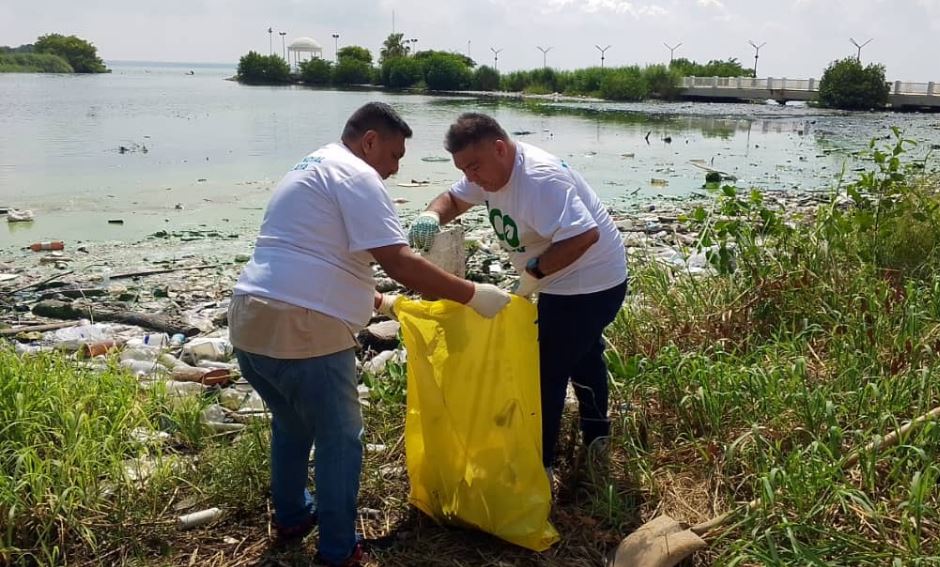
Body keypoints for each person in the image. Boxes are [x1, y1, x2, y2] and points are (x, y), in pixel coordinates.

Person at [229, 102, 510, 567]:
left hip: (250, 318)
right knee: (341, 438)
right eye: (395, 155)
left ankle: (293, 516)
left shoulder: (309, 166)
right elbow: (397, 261)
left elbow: (316, 253)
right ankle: (340, 550)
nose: (396, 168)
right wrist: (471, 294)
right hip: (304, 327)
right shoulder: (357, 176)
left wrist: (381, 302)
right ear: (370, 141)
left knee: (292, 424)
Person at [409, 112, 627, 483]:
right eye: (464, 169)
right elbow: (454, 198)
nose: (471, 177)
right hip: (560, 281)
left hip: (588, 283)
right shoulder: (489, 173)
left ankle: (537, 463)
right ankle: (596, 436)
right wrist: (431, 214)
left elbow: (583, 236)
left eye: (474, 167)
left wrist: (532, 275)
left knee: (545, 370)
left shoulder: (539, 180)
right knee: (584, 353)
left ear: (499, 148)